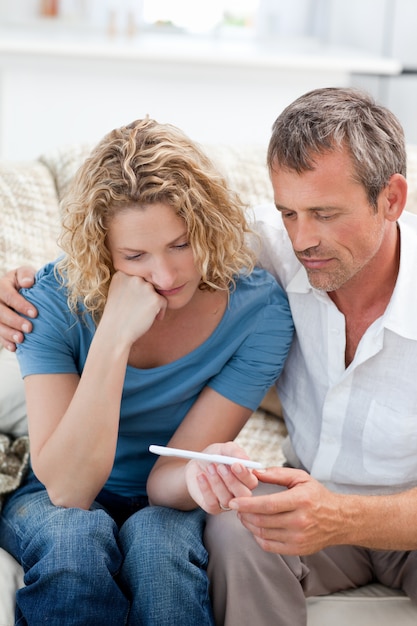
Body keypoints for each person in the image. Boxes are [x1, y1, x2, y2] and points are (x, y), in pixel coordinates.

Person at [4, 87, 417, 625]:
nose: (302, 238)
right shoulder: (272, 249)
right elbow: (68, 489)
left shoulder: (257, 301)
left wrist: (336, 515)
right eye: (289, 212)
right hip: (82, 493)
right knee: (114, 538)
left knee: (164, 548)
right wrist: (90, 324)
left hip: (394, 517)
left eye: (325, 212)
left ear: (392, 199)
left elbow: (186, 241)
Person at [0, 118, 293, 625]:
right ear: (102, 253)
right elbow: (68, 490)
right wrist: (114, 334)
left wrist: (205, 471)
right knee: (74, 538)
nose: (165, 275)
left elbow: (166, 482)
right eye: (135, 256)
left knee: (160, 549)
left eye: (181, 244)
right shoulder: (50, 300)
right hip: (53, 491)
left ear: (207, 226)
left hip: (171, 495)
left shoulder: (259, 313)